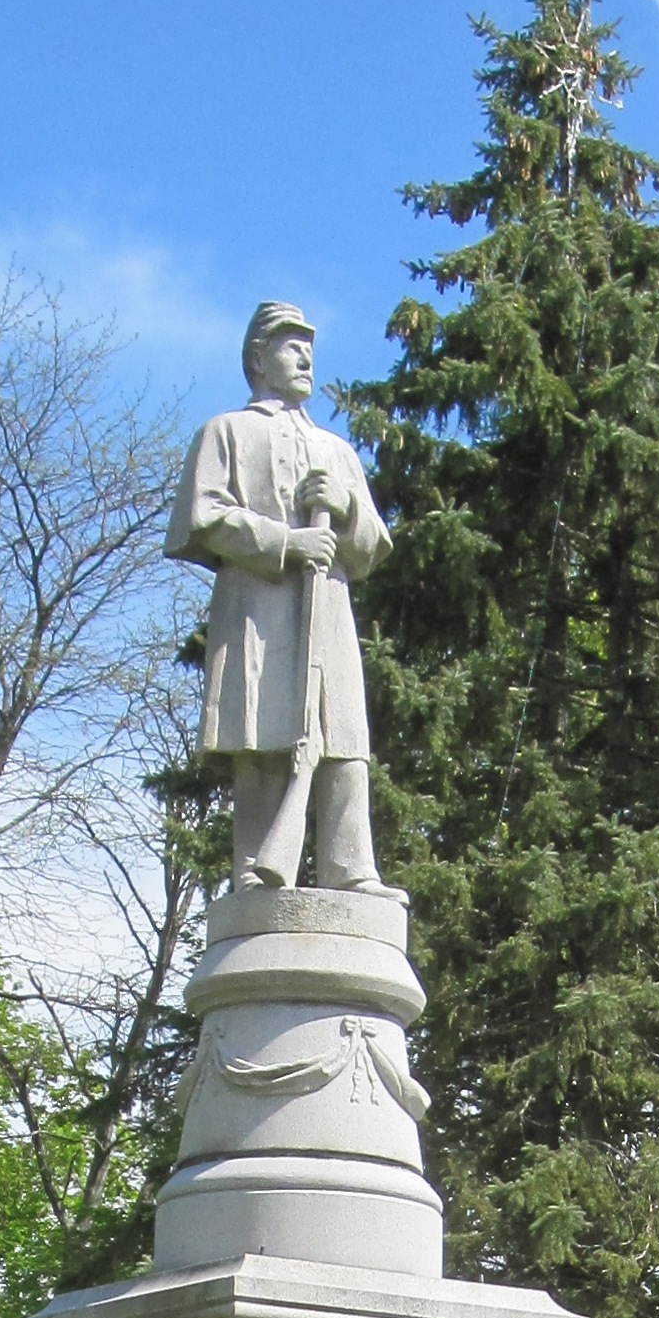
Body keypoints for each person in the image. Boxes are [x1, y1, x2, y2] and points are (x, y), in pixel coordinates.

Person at [164, 299, 390, 889]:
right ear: (258, 358)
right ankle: (255, 867)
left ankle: (350, 867)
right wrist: (286, 543)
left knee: (341, 737)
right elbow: (204, 517)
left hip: (329, 612)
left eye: (310, 345)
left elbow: (371, 547)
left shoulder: (337, 453)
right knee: (260, 732)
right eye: (292, 345)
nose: (306, 356)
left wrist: (343, 510)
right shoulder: (225, 433)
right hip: (258, 609)